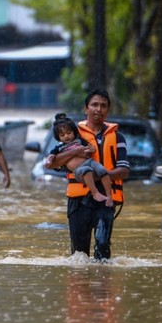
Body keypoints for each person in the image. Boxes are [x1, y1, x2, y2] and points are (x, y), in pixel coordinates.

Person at [46, 90, 130, 261]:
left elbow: (124, 170)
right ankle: (80, 286)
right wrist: (77, 150)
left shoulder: (118, 137)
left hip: (106, 199)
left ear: (108, 110)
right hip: (78, 202)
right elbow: (54, 163)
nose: (98, 109)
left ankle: (102, 286)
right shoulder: (72, 134)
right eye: (94, 105)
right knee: (78, 254)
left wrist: (94, 175)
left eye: (103, 106)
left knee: (103, 247)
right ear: (86, 109)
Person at [44, 113, 113, 207]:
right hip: (78, 169)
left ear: (74, 132)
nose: (66, 136)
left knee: (102, 170)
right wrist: (50, 158)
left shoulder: (80, 141)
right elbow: (52, 156)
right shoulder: (60, 148)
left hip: (90, 162)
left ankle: (109, 196)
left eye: (69, 133)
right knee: (86, 171)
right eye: (62, 135)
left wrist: (91, 149)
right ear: (58, 137)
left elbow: (90, 147)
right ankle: (95, 193)